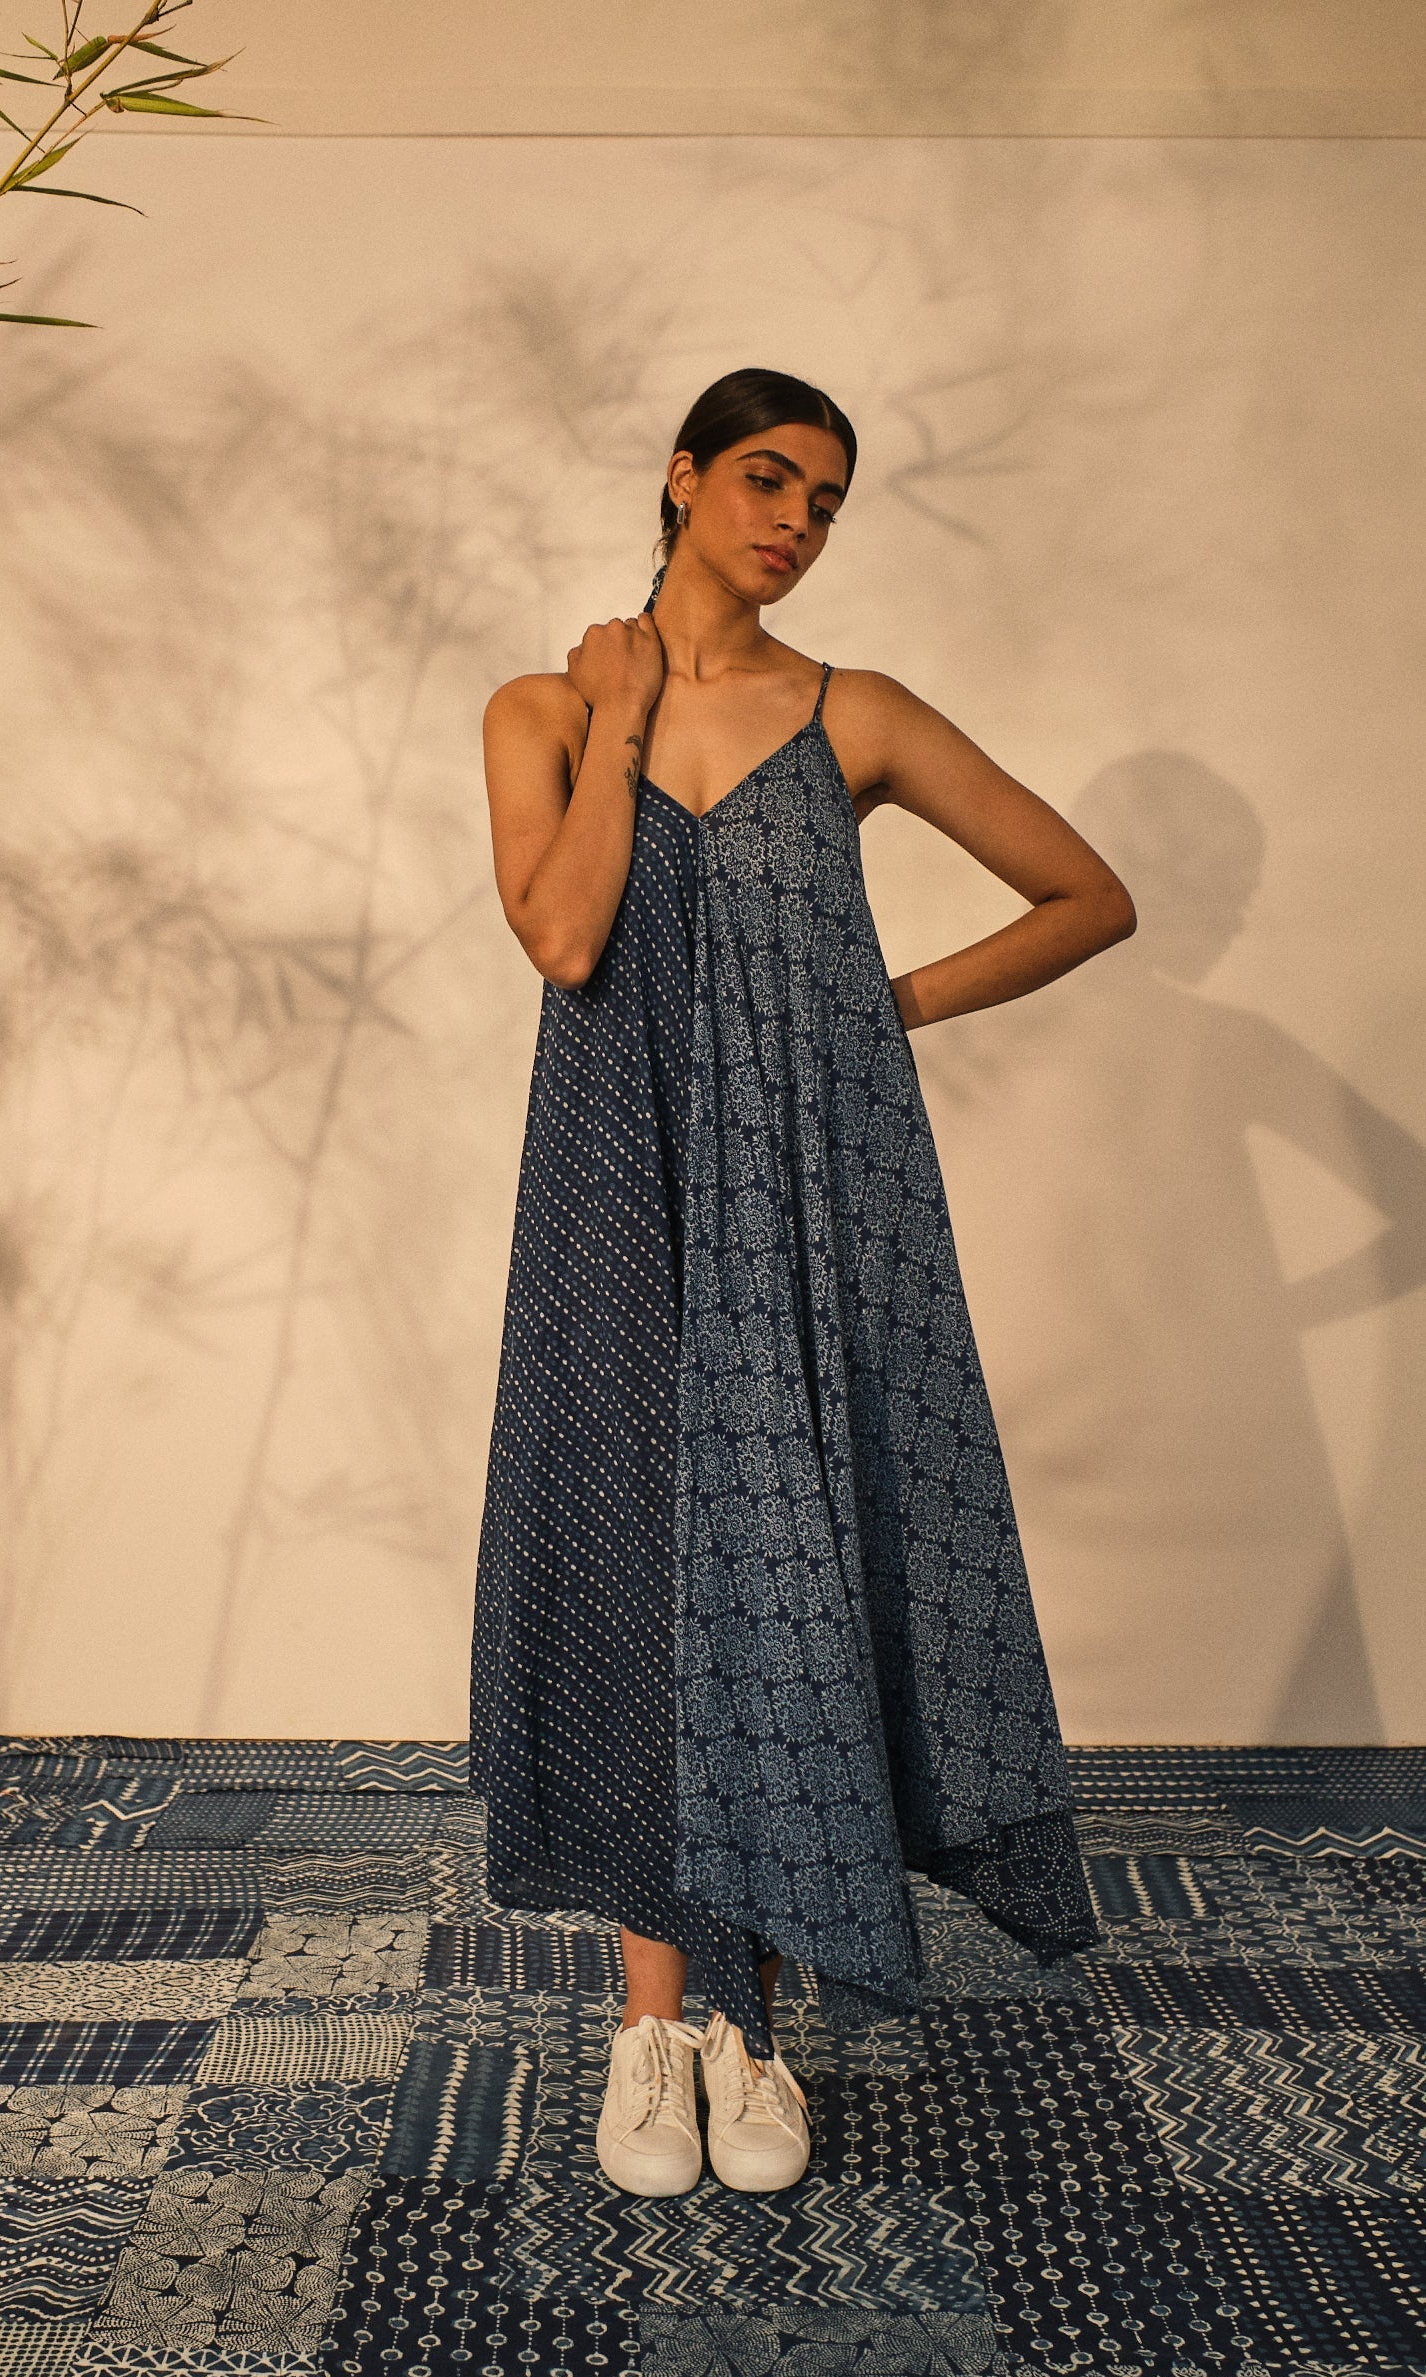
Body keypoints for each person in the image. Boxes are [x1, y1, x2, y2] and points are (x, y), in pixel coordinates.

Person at [469, 367, 1135, 2199]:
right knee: (637, 1566)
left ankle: (752, 2030)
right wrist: (621, 717)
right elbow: (567, 934)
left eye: (826, 501)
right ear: (683, 479)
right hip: (613, 1190)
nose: (796, 522)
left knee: (786, 1563)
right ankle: (650, 2025)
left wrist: (878, 1006)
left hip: (800, 1192)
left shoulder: (858, 715)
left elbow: (1088, 897)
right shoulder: (543, 709)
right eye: (769, 479)